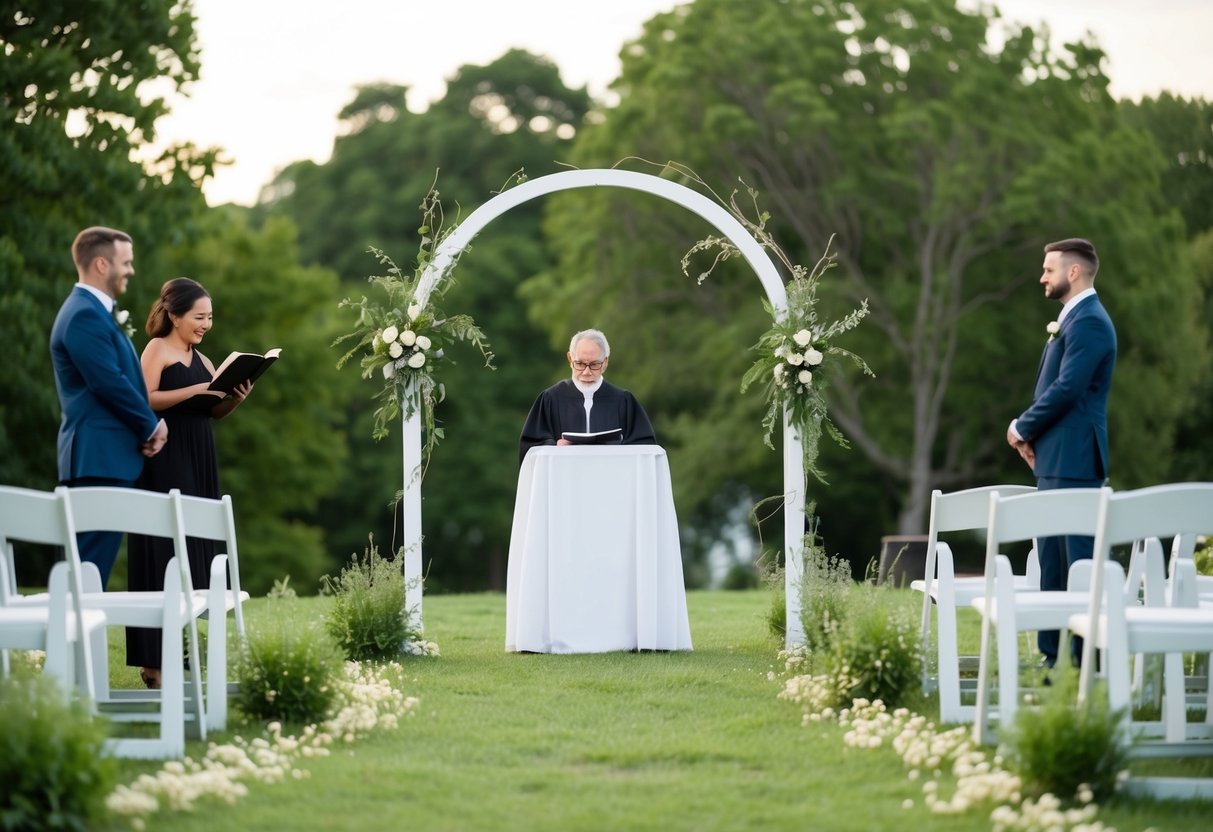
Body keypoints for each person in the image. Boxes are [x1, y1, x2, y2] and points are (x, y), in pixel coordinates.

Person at [125, 277, 252, 689]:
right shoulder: (156, 349)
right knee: (164, 550)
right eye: (199, 317)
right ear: (175, 315)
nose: (205, 325)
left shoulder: (204, 358)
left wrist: (234, 399)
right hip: (165, 457)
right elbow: (144, 399)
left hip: (200, 457)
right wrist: (197, 389)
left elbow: (212, 412)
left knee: (195, 546)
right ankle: (152, 662)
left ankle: (187, 648)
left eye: (210, 318)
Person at [1006, 237, 1116, 668]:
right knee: (1053, 568)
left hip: (1075, 463)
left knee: (1079, 572)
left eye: (1048, 269)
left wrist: (1020, 428)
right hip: (1055, 461)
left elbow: (1068, 389)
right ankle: (1055, 668)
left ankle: (1084, 669)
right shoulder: (1073, 320)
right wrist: (1035, 440)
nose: (1042, 276)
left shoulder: (1090, 321)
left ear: (1073, 272)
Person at [50, 227, 168, 588]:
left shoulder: (96, 312)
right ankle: (71, 642)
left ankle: (75, 642)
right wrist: (150, 426)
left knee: (88, 571)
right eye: (126, 262)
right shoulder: (84, 314)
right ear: (102, 264)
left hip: (104, 459)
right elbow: (108, 381)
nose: (131, 270)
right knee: (85, 572)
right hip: (96, 460)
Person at [519, 329, 656, 464]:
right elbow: (531, 446)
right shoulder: (550, 399)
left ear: (605, 362)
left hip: (611, 481)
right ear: (570, 359)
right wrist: (554, 447)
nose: (586, 372)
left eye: (594, 364)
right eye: (579, 364)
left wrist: (618, 450)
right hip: (564, 481)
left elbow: (644, 447)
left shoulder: (623, 401)